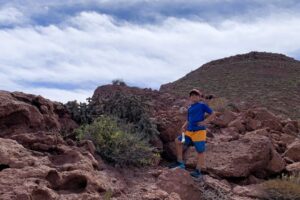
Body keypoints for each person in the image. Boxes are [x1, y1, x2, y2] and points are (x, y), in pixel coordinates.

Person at [169, 89, 214, 178]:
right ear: (190, 97)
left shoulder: (202, 105)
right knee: (178, 141)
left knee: (200, 151)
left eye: (196, 95)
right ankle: (180, 163)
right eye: (192, 95)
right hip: (189, 132)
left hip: (199, 132)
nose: (194, 97)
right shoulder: (190, 108)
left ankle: (198, 171)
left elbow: (213, 113)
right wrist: (184, 126)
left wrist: (205, 121)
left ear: (199, 97)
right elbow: (189, 119)